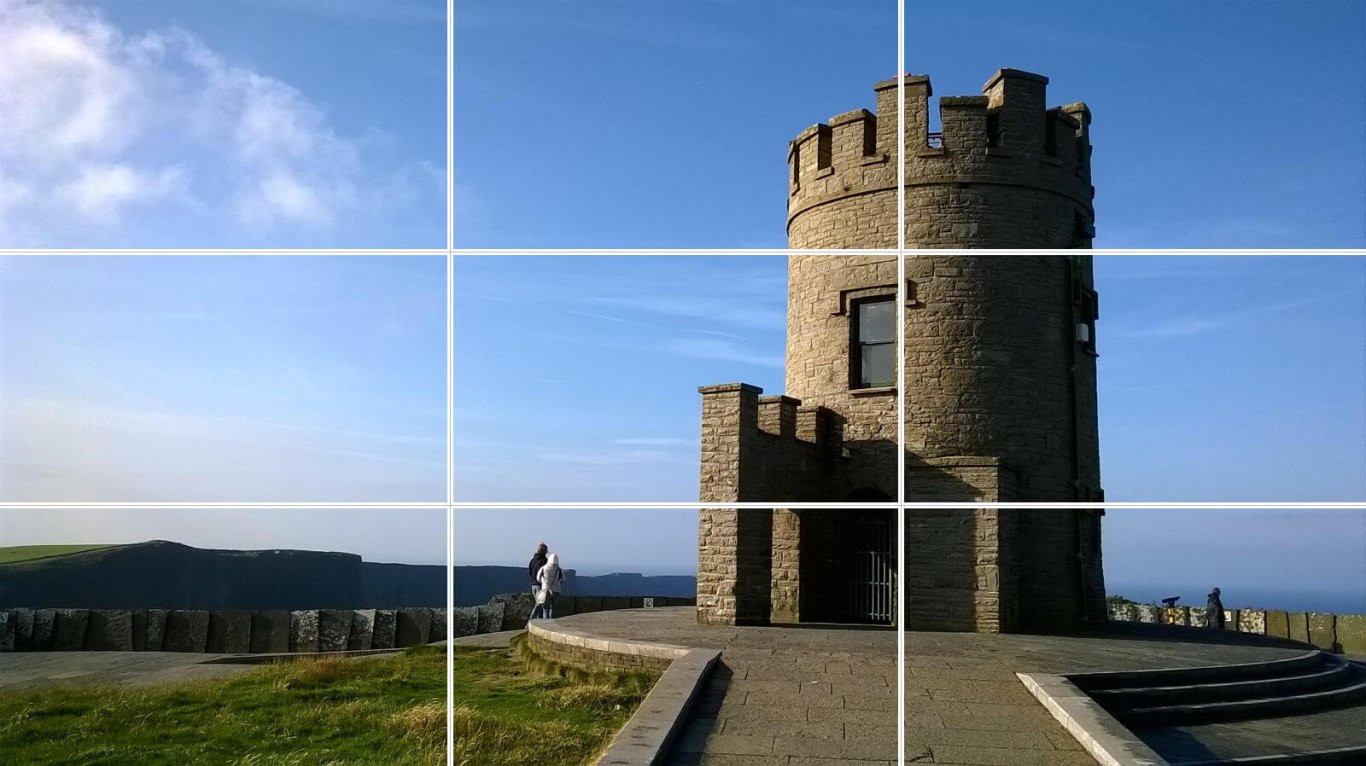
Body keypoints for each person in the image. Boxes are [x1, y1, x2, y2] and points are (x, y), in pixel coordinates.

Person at [532, 553, 566, 620]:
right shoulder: (559, 570)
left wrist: (543, 582)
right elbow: (564, 579)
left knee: (545, 609)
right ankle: (551, 623)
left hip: (546, 591)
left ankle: (545, 623)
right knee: (552, 608)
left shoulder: (544, 568)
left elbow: (538, 578)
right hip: (556, 591)